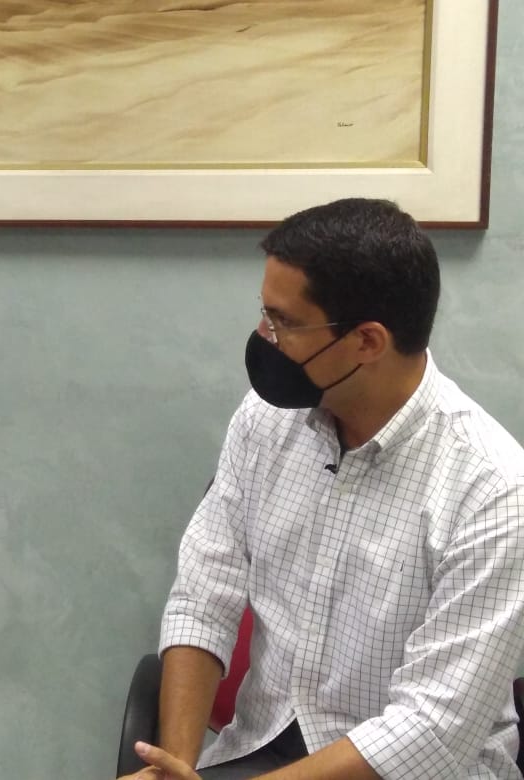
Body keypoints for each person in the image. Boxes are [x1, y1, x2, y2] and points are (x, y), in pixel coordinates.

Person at [123, 199, 524, 780]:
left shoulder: (495, 492)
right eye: (264, 313)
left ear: (367, 341)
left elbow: (432, 731)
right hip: (260, 747)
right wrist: (176, 764)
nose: (264, 337)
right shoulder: (266, 420)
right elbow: (203, 594)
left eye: (283, 322)